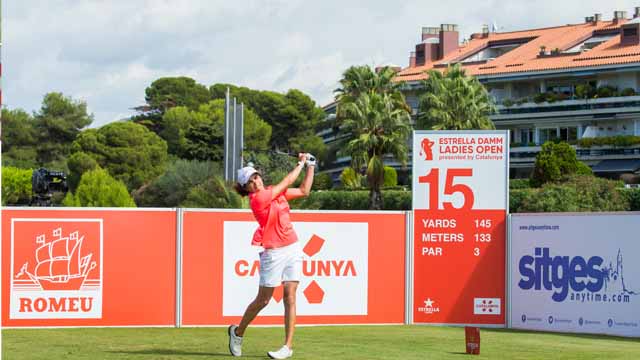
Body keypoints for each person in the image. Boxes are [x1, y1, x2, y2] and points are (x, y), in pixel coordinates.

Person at [228, 153, 316, 359]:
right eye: (250, 182)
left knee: (290, 296)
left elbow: (304, 190)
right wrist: (301, 163)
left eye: (256, 177)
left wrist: (311, 166)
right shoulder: (258, 199)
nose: (255, 182)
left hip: (292, 247)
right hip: (273, 253)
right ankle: (237, 332)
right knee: (263, 300)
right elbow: (287, 181)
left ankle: (287, 346)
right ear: (246, 188)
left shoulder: (274, 193)